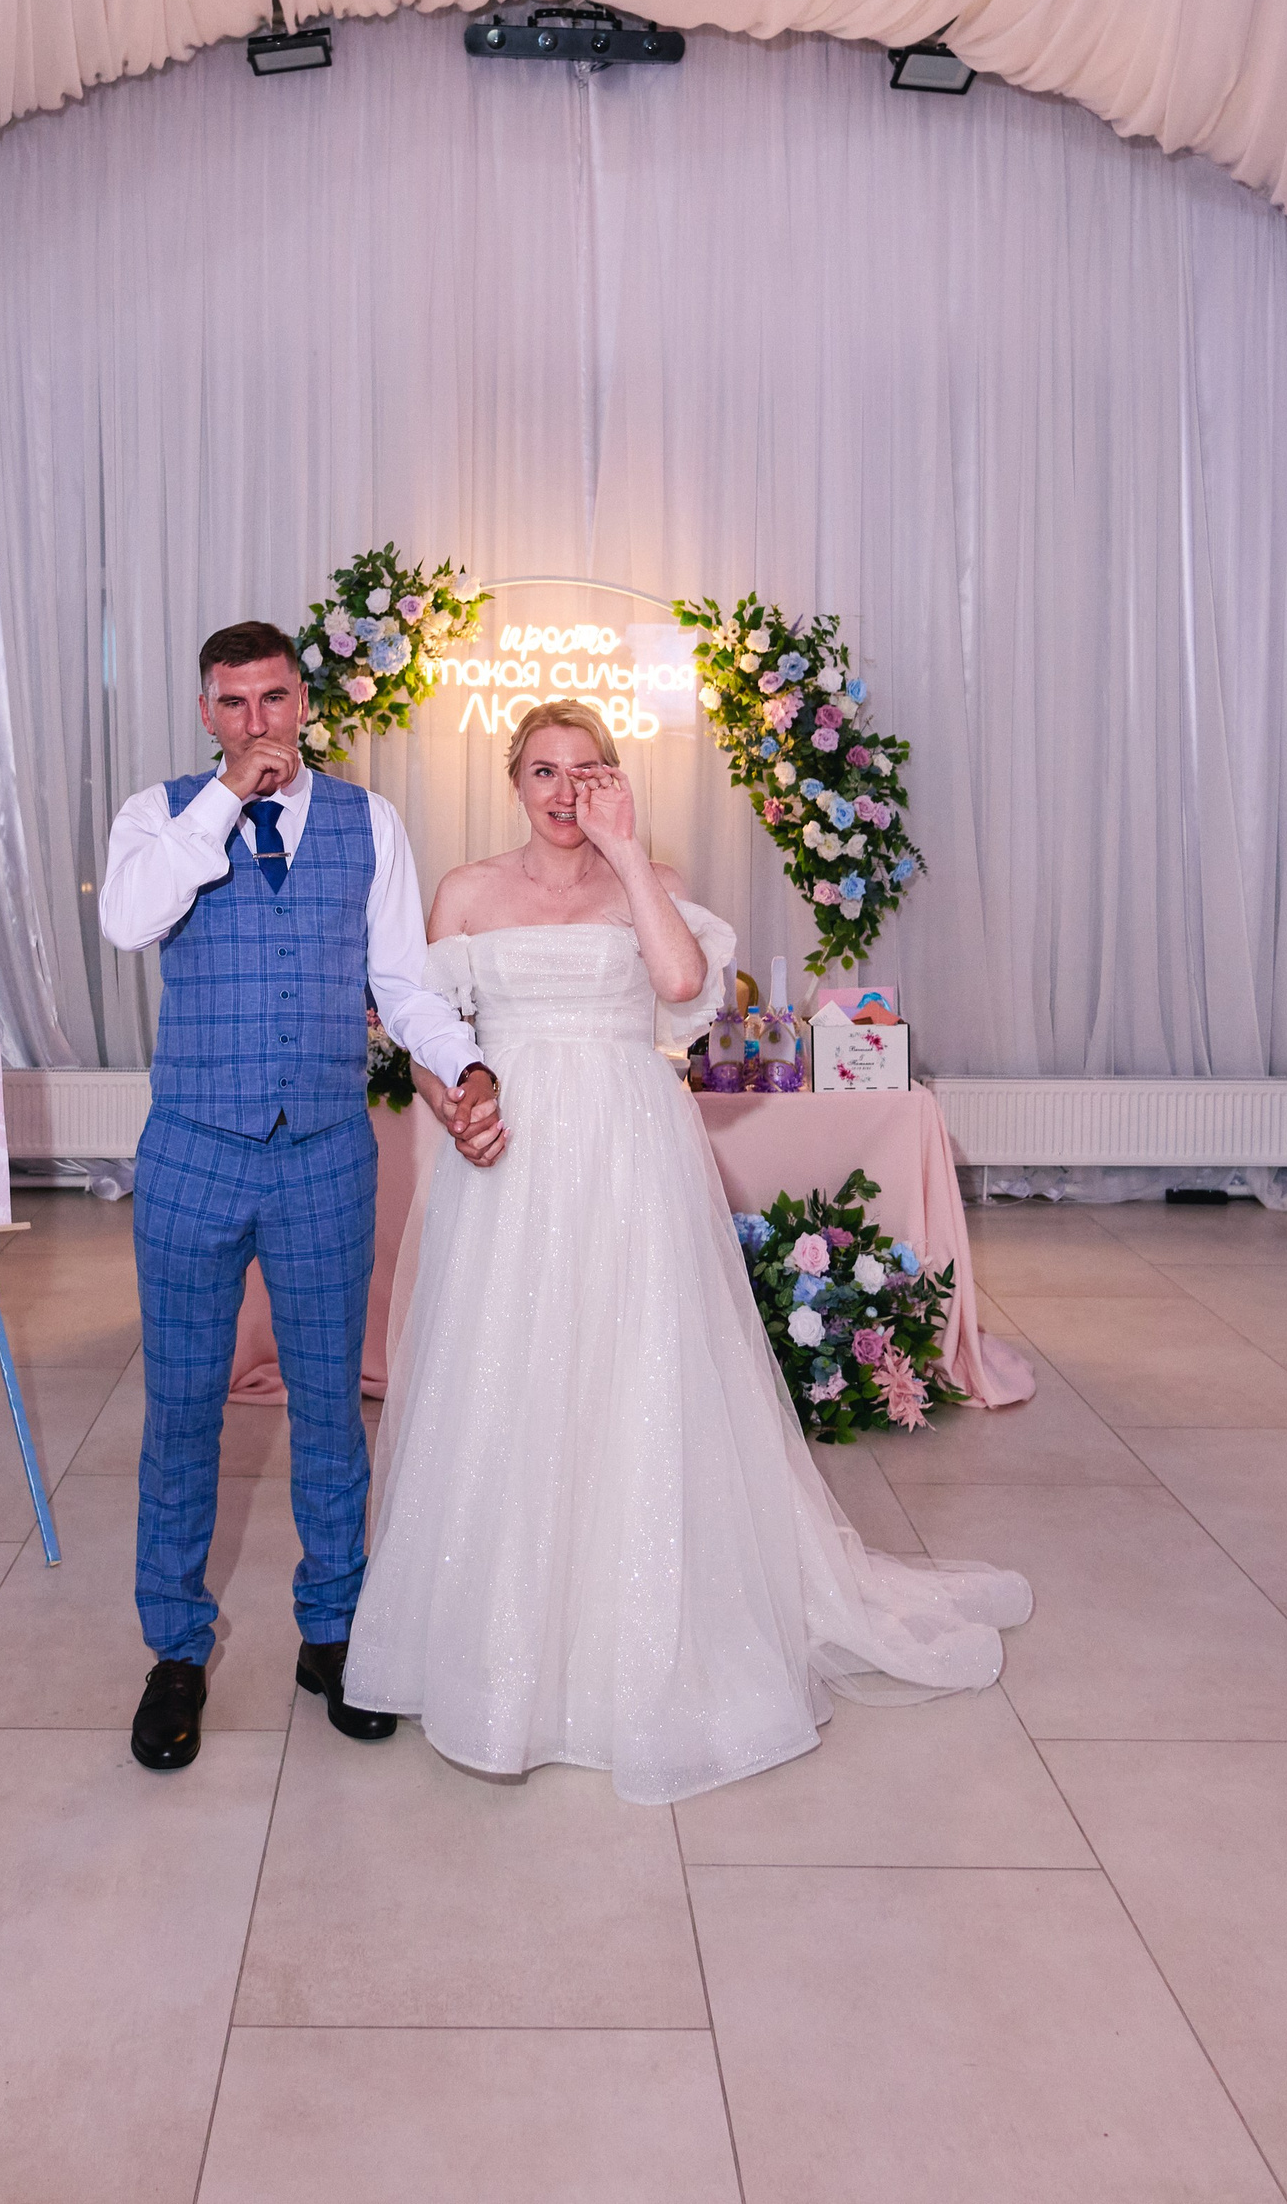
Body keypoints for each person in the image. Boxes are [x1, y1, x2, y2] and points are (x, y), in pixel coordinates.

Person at [345, 699, 1031, 1806]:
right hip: (507, 1158)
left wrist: (626, 853)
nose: (563, 791)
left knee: (634, 1368)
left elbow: (679, 990)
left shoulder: (647, 878)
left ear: (612, 780)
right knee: (510, 1370)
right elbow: (430, 1032)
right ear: (513, 782)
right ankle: (498, 1645)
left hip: (627, 1148)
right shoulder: (466, 890)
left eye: (585, 770)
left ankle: (636, 1636)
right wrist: (453, 1105)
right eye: (542, 771)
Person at [98, 620, 504, 1773]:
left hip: (325, 1151)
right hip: (193, 1147)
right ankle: (176, 1651)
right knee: (184, 1409)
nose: (256, 722)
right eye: (232, 703)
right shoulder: (158, 814)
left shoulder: (369, 823)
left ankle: (335, 1632)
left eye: (273, 699)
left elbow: (402, 984)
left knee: (330, 1405)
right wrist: (227, 799)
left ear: (304, 702)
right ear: (206, 712)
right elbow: (128, 920)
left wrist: (465, 1061)